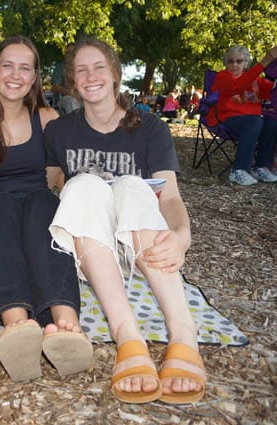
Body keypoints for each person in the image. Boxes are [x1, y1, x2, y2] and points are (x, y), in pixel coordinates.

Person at [45, 37, 206, 405]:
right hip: (90, 247)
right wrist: (71, 185)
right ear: (73, 81)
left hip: (142, 244)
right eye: (81, 70)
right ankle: (128, 335)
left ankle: (184, 333)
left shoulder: (150, 128)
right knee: (82, 184)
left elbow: (170, 197)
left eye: (99, 67)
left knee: (133, 186)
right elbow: (51, 183)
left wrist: (182, 237)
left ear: (115, 74)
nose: (91, 76)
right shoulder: (59, 131)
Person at [0, 35, 92, 383]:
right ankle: (16, 323)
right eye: (7, 66)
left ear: (34, 77)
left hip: (38, 209)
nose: (15, 75)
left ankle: (65, 323)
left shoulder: (47, 118)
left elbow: (58, 176)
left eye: (25, 68)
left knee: (43, 205)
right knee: (2, 208)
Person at [209, 45, 277, 185]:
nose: (234, 65)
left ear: (246, 63)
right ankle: (238, 170)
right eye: (230, 61)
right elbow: (238, 86)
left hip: (253, 123)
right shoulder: (223, 77)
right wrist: (265, 61)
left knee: (271, 122)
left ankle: (261, 167)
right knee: (255, 121)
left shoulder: (255, 81)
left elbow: (272, 91)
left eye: (239, 61)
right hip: (226, 120)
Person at [51, 43, 80, 114]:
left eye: (72, 52)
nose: (69, 54)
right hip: (64, 98)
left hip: (82, 96)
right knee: (71, 101)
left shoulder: (81, 66)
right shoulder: (60, 68)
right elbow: (55, 87)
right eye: (67, 52)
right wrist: (69, 92)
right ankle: (76, 120)